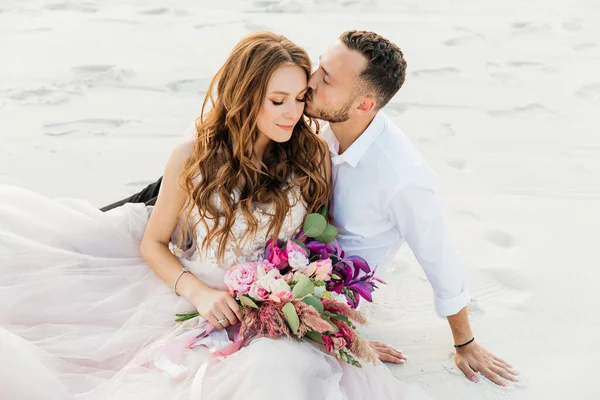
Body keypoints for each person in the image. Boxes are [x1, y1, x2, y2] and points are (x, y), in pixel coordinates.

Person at [0, 32, 430, 399]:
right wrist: (200, 294)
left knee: (276, 369)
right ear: (245, 98)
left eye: (300, 98)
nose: (292, 112)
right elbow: (153, 242)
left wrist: (331, 321)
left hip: (270, 309)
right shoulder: (192, 157)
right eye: (277, 100)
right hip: (191, 295)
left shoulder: (311, 155)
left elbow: (317, 250)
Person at [107, 30, 518, 387]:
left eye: (313, 90)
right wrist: (198, 292)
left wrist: (460, 342)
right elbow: (156, 239)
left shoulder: (363, 168)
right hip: (194, 265)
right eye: (315, 74)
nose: (305, 98)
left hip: (276, 297)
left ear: (363, 105)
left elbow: (435, 257)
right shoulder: (299, 131)